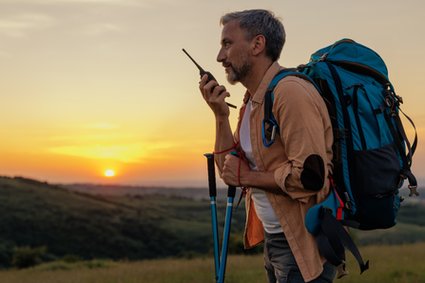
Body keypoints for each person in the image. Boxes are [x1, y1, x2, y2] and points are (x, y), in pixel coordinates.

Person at [198, 9, 337, 283]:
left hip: (302, 243)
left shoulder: (290, 93)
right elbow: (229, 170)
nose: (219, 57)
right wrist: (220, 116)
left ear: (257, 44)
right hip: (274, 239)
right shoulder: (253, 100)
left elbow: (310, 176)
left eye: (227, 44)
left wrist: (248, 177)